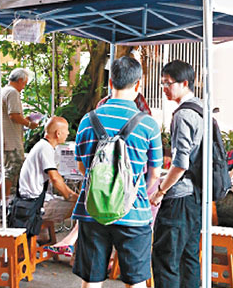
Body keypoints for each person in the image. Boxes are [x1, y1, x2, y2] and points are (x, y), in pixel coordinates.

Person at [72, 56, 163, 288]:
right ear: (138, 84)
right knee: (136, 281)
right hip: (134, 212)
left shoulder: (88, 120)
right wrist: (136, 191)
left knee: (91, 280)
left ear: (110, 82)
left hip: (92, 210)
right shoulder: (148, 125)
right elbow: (155, 173)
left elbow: (82, 167)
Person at [150, 60, 203, 288]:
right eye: (162, 83)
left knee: (166, 259)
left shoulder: (183, 115)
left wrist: (161, 191)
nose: (164, 88)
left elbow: (180, 164)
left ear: (185, 83)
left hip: (179, 197)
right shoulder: (202, 108)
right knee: (188, 258)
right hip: (195, 195)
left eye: (168, 83)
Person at [18, 116, 79, 220]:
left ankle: (44, 228)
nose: (68, 133)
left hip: (31, 199)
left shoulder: (43, 145)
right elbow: (55, 178)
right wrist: (70, 196)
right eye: (66, 130)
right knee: (79, 205)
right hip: (32, 202)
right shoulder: (45, 148)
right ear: (58, 133)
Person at [0, 68, 39, 208]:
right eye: (24, 83)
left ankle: (3, 203)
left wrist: (23, 120)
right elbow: (13, 115)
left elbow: (11, 117)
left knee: (6, 173)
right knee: (10, 173)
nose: (24, 87)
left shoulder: (2, 92)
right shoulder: (13, 92)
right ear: (20, 80)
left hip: (1, 141)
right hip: (10, 142)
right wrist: (29, 124)